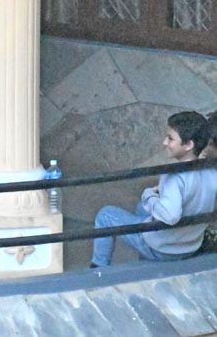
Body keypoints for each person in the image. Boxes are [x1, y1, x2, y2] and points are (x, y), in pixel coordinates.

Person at [90, 111, 217, 267]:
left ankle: (97, 268)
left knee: (106, 215)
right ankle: (145, 260)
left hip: (164, 249)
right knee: (141, 208)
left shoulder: (174, 177)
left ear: (188, 145)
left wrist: (149, 195)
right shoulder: (211, 172)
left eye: (170, 138)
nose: (164, 142)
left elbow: (170, 216)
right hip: (190, 244)